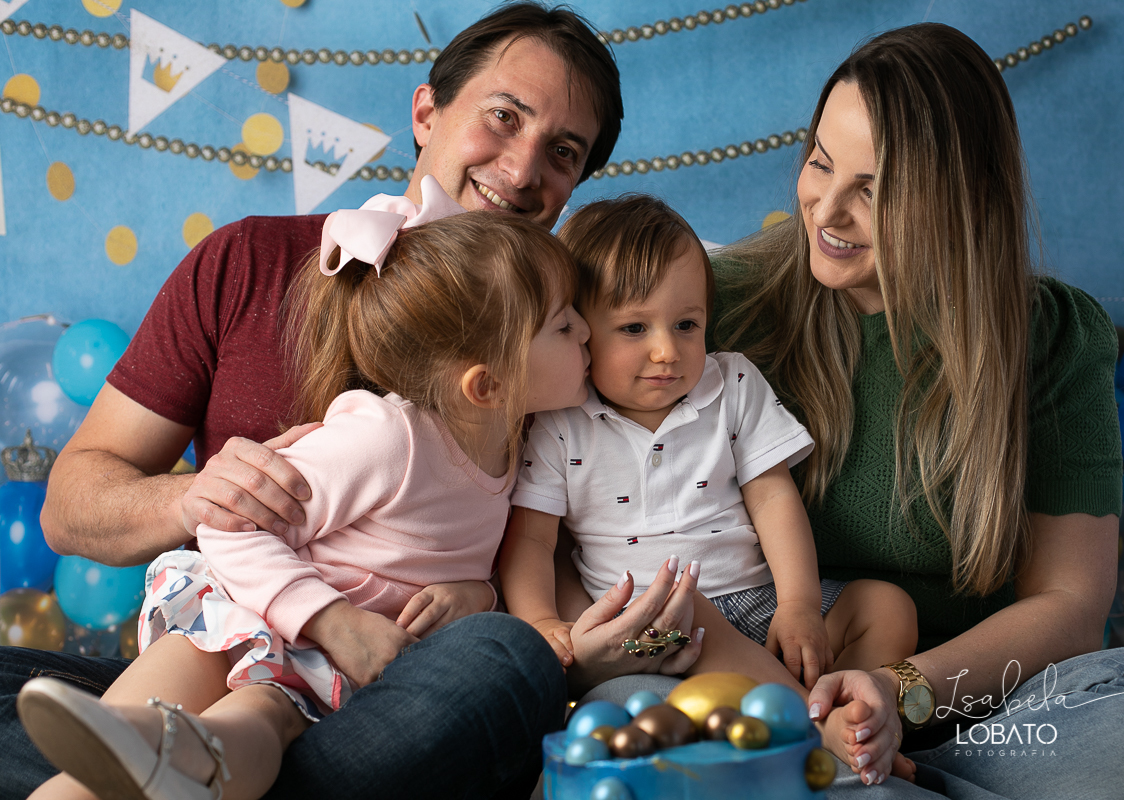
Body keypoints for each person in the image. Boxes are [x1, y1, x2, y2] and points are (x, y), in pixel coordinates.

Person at [0, 5, 701, 800]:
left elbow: (573, 547)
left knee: (506, 660)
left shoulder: (567, 340)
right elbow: (70, 506)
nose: (522, 167)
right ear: (427, 110)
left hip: (397, 686)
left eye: (563, 152)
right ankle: (181, 766)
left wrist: (543, 631)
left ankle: (173, 769)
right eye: (503, 117)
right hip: (240, 645)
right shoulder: (248, 261)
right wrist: (196, 499)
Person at [706, 21, 1124, 796]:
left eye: (871, 191)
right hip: (775, 702)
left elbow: (1071, 606)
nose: (825, 210)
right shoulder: (714, 302)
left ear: (958, 203)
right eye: (820, 164)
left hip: (980, 712)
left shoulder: (1055, 336)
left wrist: (896, 696)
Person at [18, 196, 595, 800]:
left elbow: (459, 560)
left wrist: (476, 593)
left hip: (324, 674)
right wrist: (334, 620)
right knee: (110, 749)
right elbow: (230, 525)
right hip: (249, 611)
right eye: (564, 324)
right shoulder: (385, 437)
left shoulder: (520, 445)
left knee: (261, 719)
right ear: (488, 383)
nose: (586, 330)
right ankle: (138, 751)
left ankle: (192, 767)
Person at [500, 196, 918, 723]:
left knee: (885, 606)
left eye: (686, 325)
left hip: (759, 604)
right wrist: (541, 621)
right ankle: (811, 731)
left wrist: (797, 606)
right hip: (652, 628)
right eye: (634, 329)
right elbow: (532, 539)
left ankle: (844, 708)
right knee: (681, 596)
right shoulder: (561, 421)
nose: (666, 352)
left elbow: (772, 498)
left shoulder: (732, 384)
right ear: (579, 331)